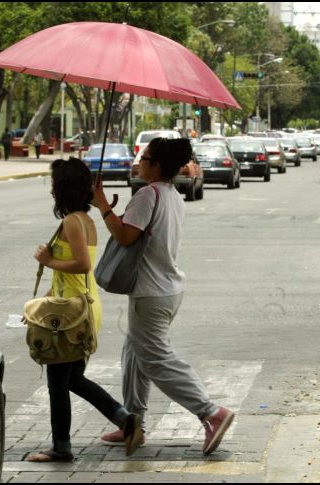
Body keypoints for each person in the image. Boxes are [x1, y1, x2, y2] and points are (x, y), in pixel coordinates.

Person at [92, 138, 234, 456]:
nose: (139, 161)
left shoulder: (147, 194)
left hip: (151, 293)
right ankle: (134, 423)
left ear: (156, 165)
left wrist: (101, 204)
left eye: (144, 157)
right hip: (166, 289)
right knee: (134, 353)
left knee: (155, 358)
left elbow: (126, 235)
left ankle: (211, 412)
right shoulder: (171, 195)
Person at [26, 158, 143, 463]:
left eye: (55, 184)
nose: (52, 190)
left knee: (57, 381)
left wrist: (48, 261)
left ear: (64, 188)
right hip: (80, 307)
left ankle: (62, 447)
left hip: (73, 313)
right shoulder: (85, 221)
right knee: (72, 379)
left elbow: (82, 265)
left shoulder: (72, 222)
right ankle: (124, 419)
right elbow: (69, 274)